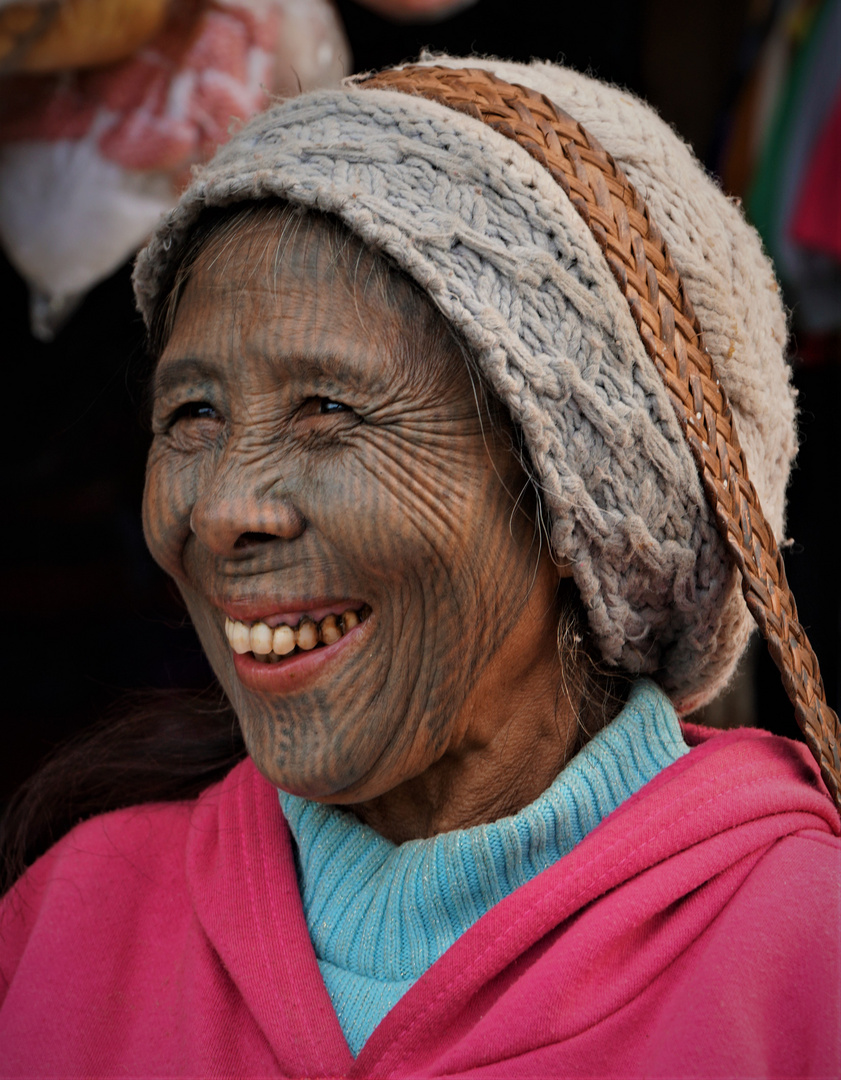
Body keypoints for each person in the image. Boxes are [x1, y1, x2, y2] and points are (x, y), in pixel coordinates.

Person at [1, 55, 839, 1078]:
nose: (220, 512)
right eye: (193, 414)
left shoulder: (803, 962)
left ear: (588, 507)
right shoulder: (70, 927)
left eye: (327, 411)